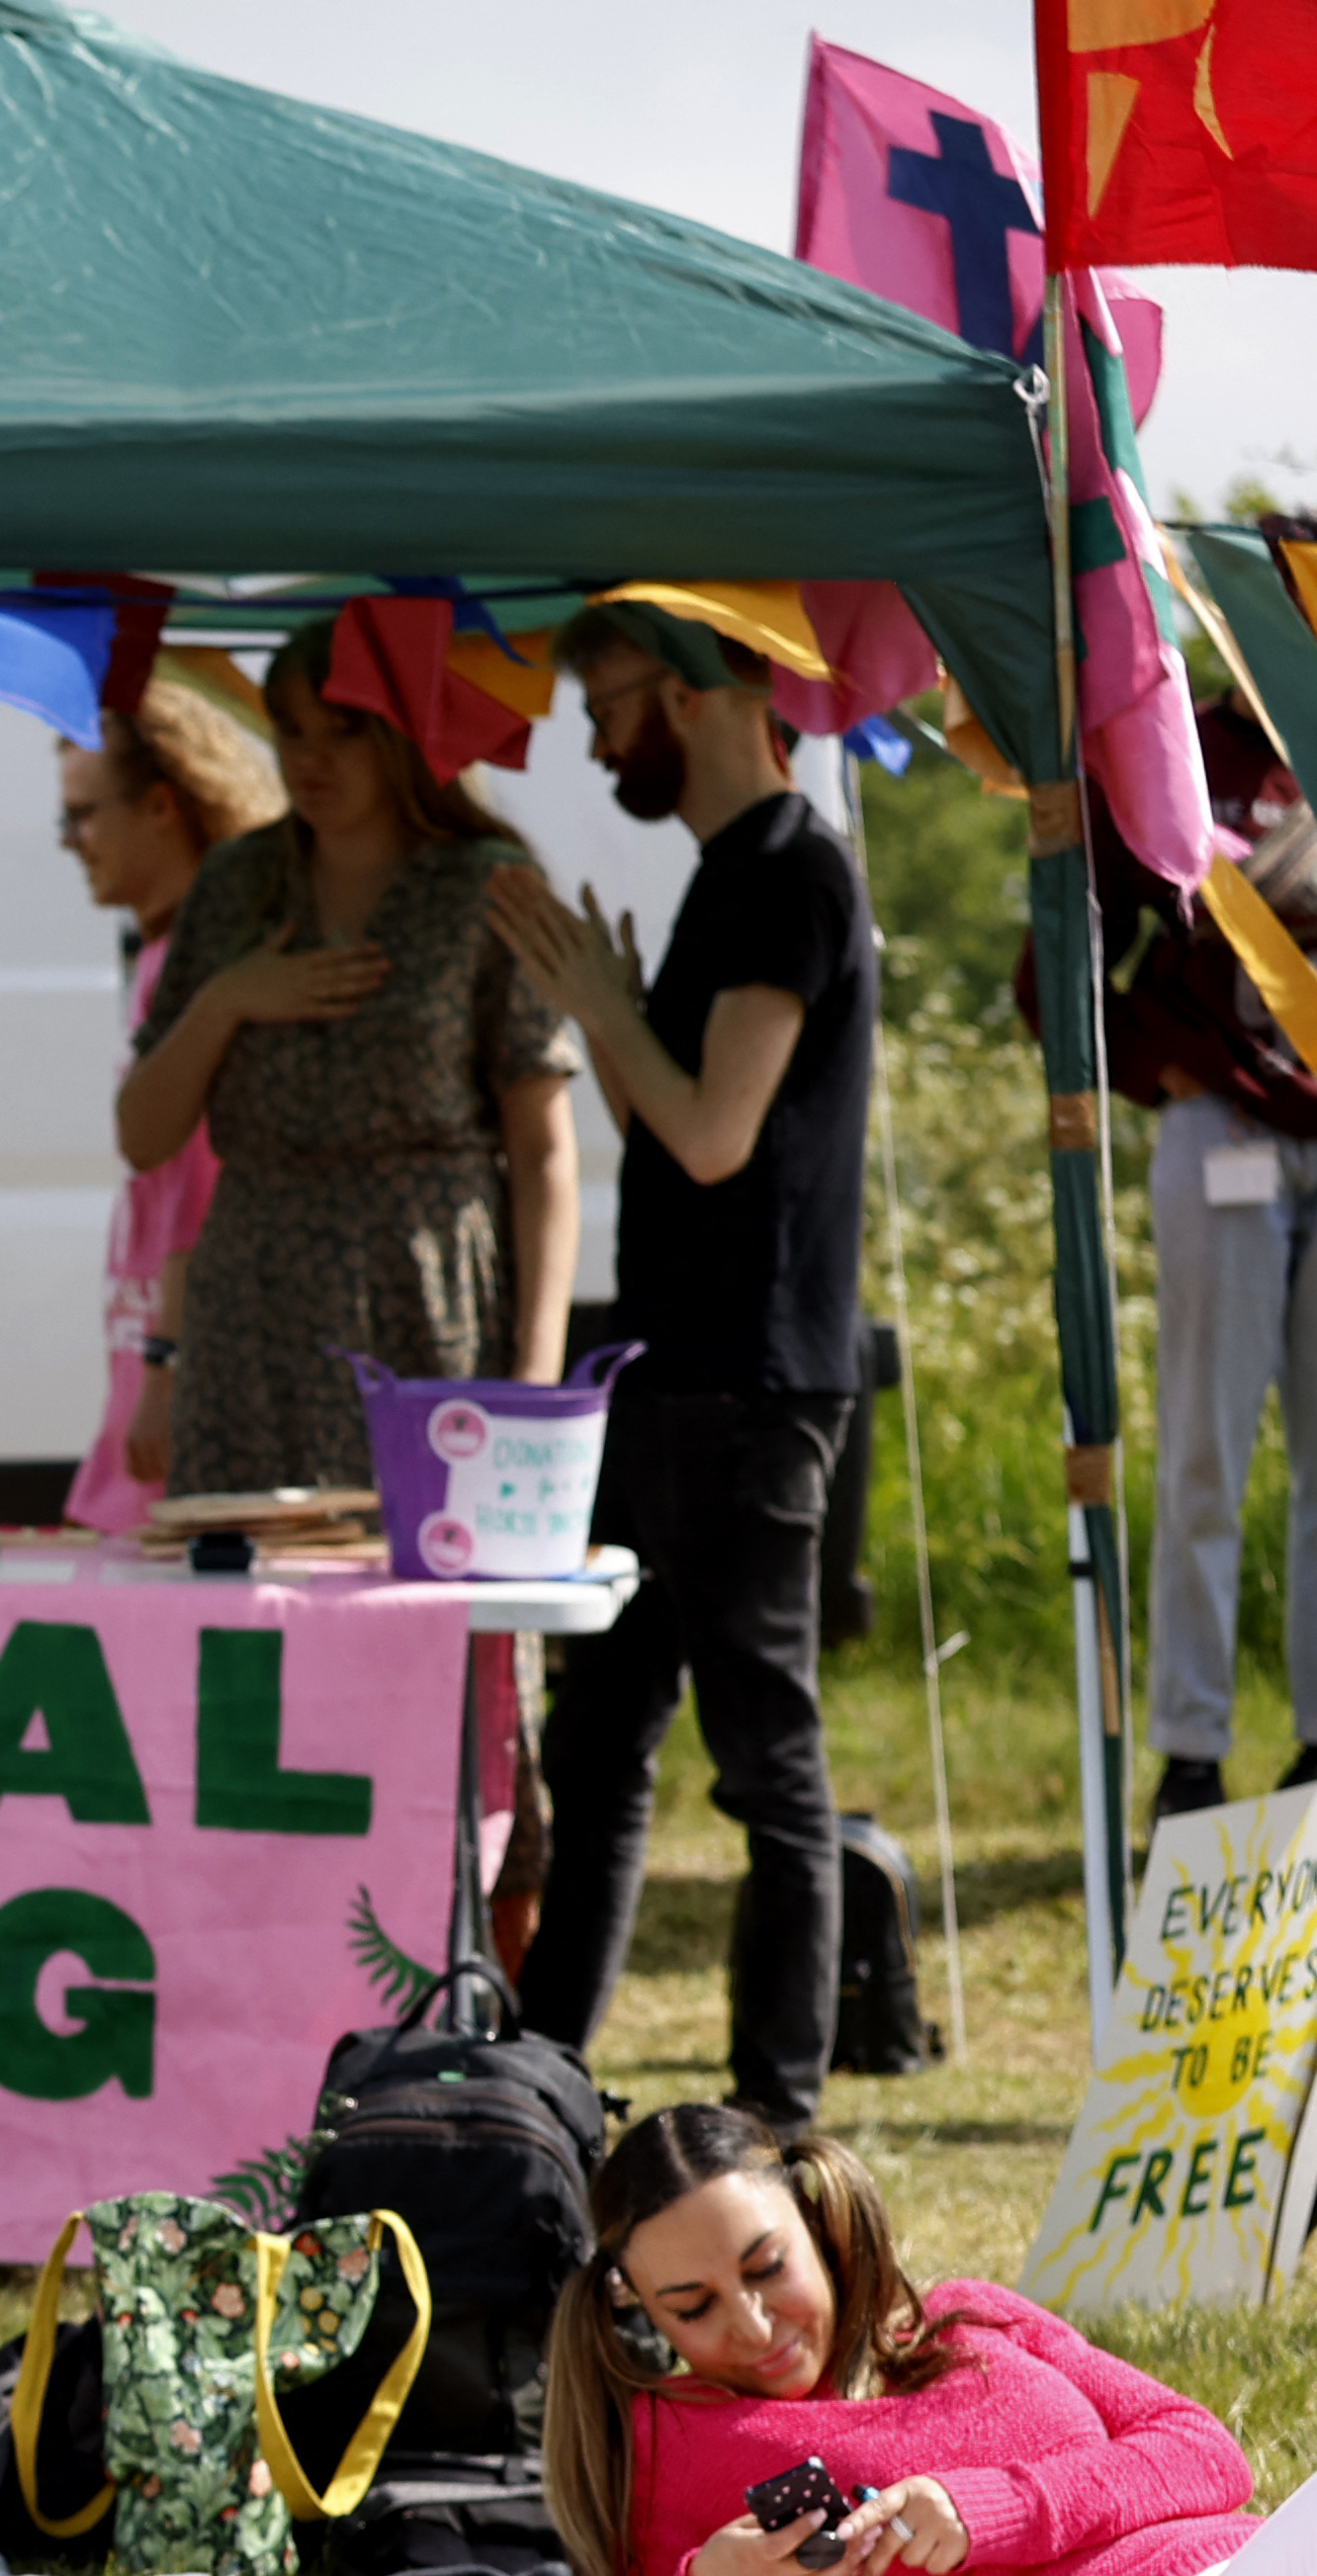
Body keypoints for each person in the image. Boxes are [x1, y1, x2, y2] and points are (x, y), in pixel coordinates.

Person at [487, 606, 882, 2137]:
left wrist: (601, 1009)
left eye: (613, 702)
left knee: (764, 1756)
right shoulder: (735, 875)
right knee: (598, 1750)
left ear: (710, 690)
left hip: (752, 1390)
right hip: (678, 1380)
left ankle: (776, 2115)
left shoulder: (790, 872)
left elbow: (710, 1132)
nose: (592, 738)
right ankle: (547, 2074)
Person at [551, 2105, 1317, 2576]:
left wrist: (991, 2507)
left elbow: (1207, 2454)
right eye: (693, 2308)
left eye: (768, 2268)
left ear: (817, 2219)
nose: (752, 2325)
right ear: (644, 2315)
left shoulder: (970, 2316)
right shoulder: (677, 2441)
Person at [1021, 701, 1317, 1818]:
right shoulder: (1168, 743)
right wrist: (1157, 1065)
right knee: (1204, 1446)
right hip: (1225, 1128)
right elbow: (1062, 937)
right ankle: (1192, 1747)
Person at [116, 621, 585, 1499]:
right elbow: (142, 1137)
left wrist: (535, 1371)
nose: (310, 759)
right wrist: (227, 1000)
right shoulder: (235, 884)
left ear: (401, 735)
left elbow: (544, 1151)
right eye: (291, 730)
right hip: (254, 1306)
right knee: (251, 1595)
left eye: (343, 730)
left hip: (427, 1294)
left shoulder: (486, 884)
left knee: (432, 1588)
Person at [52, 678, 282, 1528]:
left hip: (181, 1360)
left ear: (161, 805)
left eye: (83, 814)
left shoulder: (187, 963)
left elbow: (200, 1180)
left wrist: (166, 1363)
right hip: (161, 1351)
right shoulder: (169, 952)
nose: (71, 842)